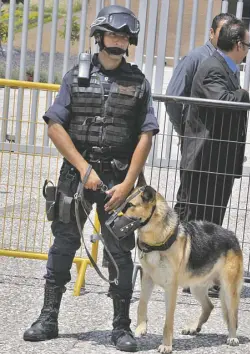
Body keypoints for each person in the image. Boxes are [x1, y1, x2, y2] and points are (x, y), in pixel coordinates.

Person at [23, 5, 159, 352]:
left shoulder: (139, 83)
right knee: (63, 244)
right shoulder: (74, 77)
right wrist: (85, 170)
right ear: (99, 37)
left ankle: (121, 327)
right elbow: (55, 126)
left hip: (118, 183)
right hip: (75, 180)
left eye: (125, 37)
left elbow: (146, 134)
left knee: (120, 251)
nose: (119, 41)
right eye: (113, 35)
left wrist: (128, 183)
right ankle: (48, 318)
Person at [165, 13, 236, 219]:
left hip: (216, 149)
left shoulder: (229, 62)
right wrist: (185, 132)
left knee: (211, 207)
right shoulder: (196, 58)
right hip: (196, 145)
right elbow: (173, 98)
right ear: (212, 32)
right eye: (223, 32)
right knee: (189, 204)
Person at [181, 18, 250, 226]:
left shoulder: (226, 68)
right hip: (205, 163)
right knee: (197, 228)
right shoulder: (213, 68)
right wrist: (243, 95)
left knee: (210, 227)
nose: (247, 51)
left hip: (217, 163)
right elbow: (223, 101)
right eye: (247, 45)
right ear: (238, 45)